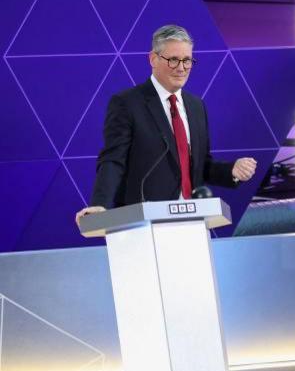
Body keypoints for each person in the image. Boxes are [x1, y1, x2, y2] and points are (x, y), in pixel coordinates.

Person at [75, 24, 257, 225]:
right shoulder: (127, 103)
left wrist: (232, 171)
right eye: (173, 60)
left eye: (187, 60)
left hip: (192, 221)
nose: (181, 68)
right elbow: (113, 160)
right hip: (141, 223)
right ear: (153, 59)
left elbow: (198, 167)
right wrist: (101, 204)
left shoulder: (196, 106)